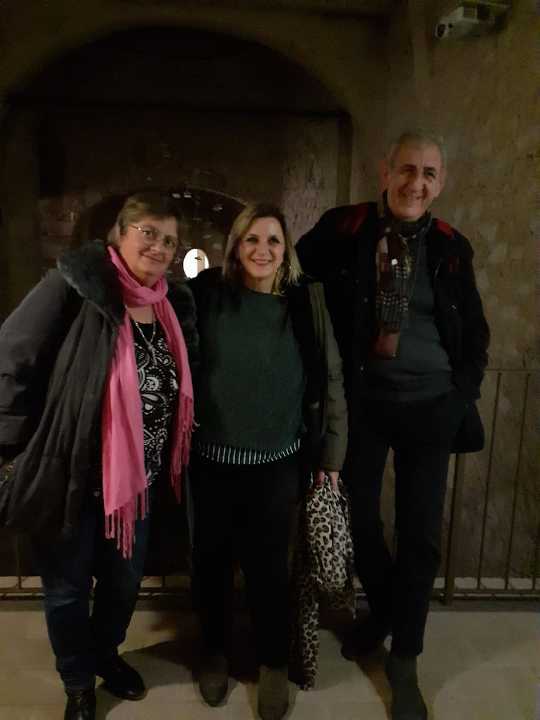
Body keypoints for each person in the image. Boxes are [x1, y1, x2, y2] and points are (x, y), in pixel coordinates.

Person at [295, 128, 490, 720]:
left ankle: (404, 658)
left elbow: (475, 330)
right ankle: (386, 611)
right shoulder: (344, 228)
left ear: (441, 183)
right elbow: (288, 276)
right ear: (385, 173)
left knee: (421, 535)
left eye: (429, 173)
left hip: (432, 408)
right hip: (363, 408)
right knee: (357, 522)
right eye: (407, 169)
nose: (416, 183)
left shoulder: (451, 246)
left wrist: (461, 395)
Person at [0, 190, 198, 720]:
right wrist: (11, 444)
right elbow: (12, 354)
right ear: (120, 232)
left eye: (169, 240)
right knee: (67, 589)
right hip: (70, 473)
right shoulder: (74, 286)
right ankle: (77, 683)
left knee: (123, 583)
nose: (158, 247)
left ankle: (106, 654)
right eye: (148, 232)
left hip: (137, 485)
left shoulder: (170, 304)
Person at [188, 203, 347, 720]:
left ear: (286, 250)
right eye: (251, 239)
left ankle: (272, 661)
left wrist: (331, 452)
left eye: (273, 240)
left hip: (277, 461)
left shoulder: (304, 300)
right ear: (236, 246)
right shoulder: (207, 293)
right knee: (212, 561)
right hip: (212, 460)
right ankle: (214, 649)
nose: (262, 249)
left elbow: (331, 377)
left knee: (267, 569)